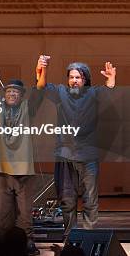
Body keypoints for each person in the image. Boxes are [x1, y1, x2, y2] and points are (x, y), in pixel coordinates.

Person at [0, 49, 44, 256]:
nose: (11, 94)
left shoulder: (28, 109)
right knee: (3, 213)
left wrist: (41, 70)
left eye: (16, 92)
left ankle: (26, 242)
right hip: (1, 169)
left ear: (22, 96)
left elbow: (40, 89)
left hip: (23, 169)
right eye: (8, 92)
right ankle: (4, 244)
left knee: (25, 212)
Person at [36, 57, 116, 240]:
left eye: (78, 77)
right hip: (65, 155)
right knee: (67, 200)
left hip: (88, 156)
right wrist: (43, 69)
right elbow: (41, 87)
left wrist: (111, 81)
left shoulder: (93, 93)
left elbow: (109, 93)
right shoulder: (61, 92)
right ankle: (70, 238)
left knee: (90, 200)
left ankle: (88, 237)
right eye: (71, 77)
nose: (74, 80)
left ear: (85, 80)